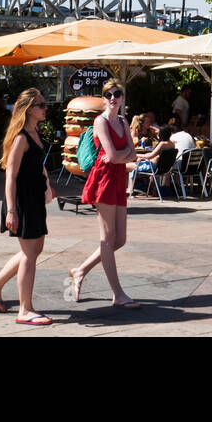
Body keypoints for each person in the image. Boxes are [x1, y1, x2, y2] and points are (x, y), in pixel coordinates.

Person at [0, 88, 56, 325]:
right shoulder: (21, 137)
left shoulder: (35, 133)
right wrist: (11, 210)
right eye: (41, 105)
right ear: (29, 109)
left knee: (34, 250)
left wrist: (48, 186)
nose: (45, 108)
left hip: (34, 198)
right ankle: (25, 310)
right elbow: (10, 175)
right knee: (30, 254)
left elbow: (38, 164)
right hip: (21, 201)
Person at [70, 80, 142, 308]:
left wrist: (122, 155)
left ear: (122, 98)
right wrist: (124, 154)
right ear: (103, 98)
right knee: (107, 238)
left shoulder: (122, 120)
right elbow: (113, 154)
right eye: (108, 94)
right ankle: (118, 293)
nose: (112, 97)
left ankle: (80, 270)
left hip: (119, 178)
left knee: (119, 239)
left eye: (117, 94)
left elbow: (133, 155)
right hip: (104, 179)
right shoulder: (100, 121)